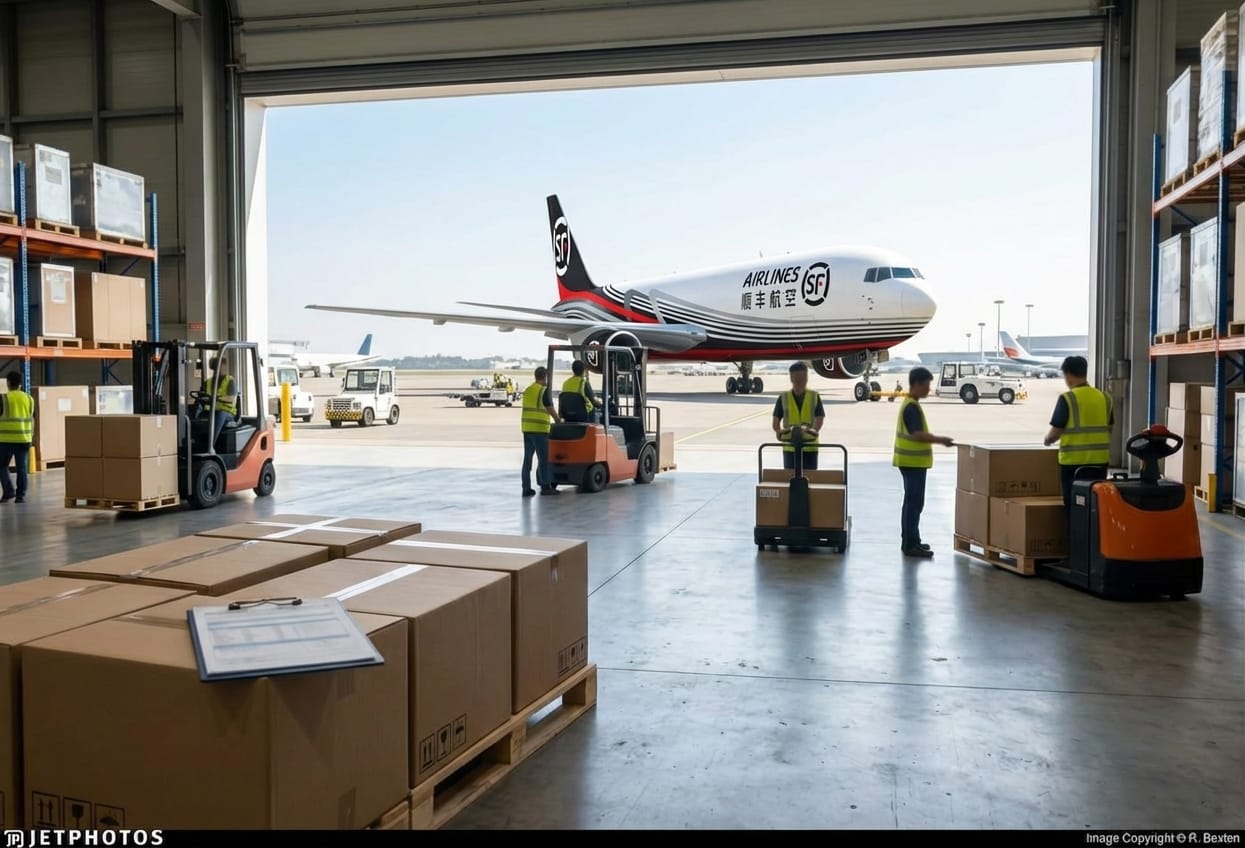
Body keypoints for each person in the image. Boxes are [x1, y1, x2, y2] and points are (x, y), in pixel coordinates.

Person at [893, 367, 954, 558]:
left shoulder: (910, 404)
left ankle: (912, 541)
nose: (929, 389)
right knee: (914, 504)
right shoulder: (911, 407)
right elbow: (917, 434)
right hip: (913, 463)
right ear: (917, 385)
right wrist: (940, 440)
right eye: (927, 385)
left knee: (911, 503)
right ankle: (910, 544)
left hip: (911, 462)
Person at [1043, 355, 1112, 513]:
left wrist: (1046, 441)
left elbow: (1055, 433)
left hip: (1073, 465)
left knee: (1074, 509)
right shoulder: (1104, 398)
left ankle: (1075, 537)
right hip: (1100, 463)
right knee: (1095, 507)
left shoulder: (1067, 398)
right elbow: (1110, 428)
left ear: (1067, 374)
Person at [772, 361, 825, 470]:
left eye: (802, 379)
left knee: (810, 479)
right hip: (790, 446)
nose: (800, 383)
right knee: (790, 479)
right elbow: (775, 422)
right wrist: (779, 431)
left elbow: (819, 418)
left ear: (807, 378)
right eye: (797, 380)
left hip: (810, 446)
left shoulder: (814, 396)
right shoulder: (783, 398)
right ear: (791, 379)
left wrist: (813, 430)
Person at [521, 366, 562, 497]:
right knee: (543, 459)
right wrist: (558, 420)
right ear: (545, 377)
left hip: (527, 429)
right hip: (539, 430)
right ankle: (545, 486)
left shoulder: (528, 390)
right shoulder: (543, 391)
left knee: (527, 460)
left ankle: (526, 488)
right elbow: (550, 407)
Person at [0, 371, 34, 504]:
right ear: (20, 384)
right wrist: (31, 436)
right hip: (24, 439)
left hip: (5, 440)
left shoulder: (3, 398)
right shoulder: (30, 399)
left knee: (2, 466)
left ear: (8, 383)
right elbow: (32, 419)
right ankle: (21, 496)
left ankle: (9, 491)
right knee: (22, 469)